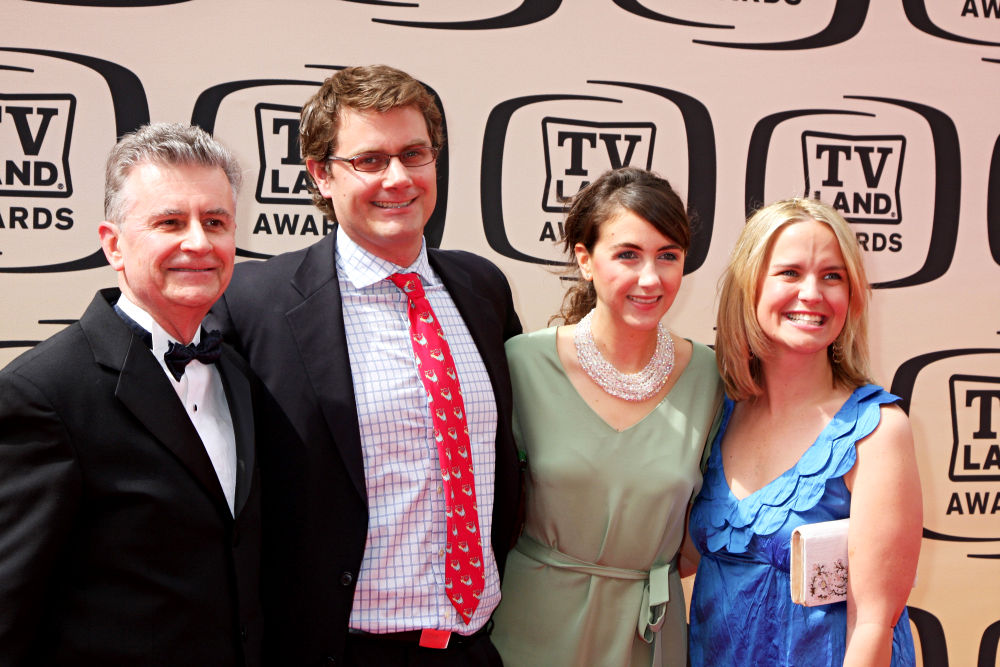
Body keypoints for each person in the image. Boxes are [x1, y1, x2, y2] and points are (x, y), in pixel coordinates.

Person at [208, 64, 522, 666]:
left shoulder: (483, 288)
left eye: (414, 154)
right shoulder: (255, 306)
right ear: (322, 174)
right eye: (370, 161)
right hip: (338, 652)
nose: (398, 178)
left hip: (473, 647)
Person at [0, 123, 262, 666]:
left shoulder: (238, 373)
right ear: (113, 244)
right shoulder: (43, 393)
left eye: (215, 222)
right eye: (170, 221)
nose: (198, 242)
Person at [490, 167, 723, 666]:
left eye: (668, 256)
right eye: (627, 255)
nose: (650, 278)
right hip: (530, 624)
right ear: (585, 260)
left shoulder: (710, 377)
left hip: (647, 633)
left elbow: (702, 532)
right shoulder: (522, 364)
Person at [688, 198, 922, 666]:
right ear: (748, 287)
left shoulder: (876, 431)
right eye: (790, 273)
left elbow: (875, 624)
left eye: (832, 276)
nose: (812, 293)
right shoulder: (717, 412)